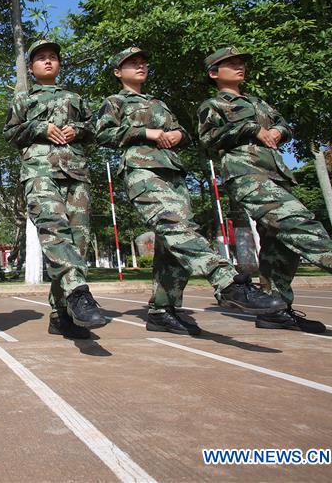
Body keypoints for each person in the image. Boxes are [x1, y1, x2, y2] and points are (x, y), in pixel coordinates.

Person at [94, 46, 284, 335]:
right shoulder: (114, 101)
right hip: (142, 171)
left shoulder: (159, 103)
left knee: (173, 241)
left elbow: (183, 132)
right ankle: (226, 281)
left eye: (143, 62)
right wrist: (147, 133)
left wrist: (175, 134)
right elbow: (103, 133)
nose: (141, 67)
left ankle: (162, 309)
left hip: (172, 172)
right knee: (174, 228)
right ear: (118, 72)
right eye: (133, 64)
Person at [197, 47, 332, 332]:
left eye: (241, 63)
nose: (239, 67)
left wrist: (277, 132)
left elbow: (283, 125)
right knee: (296, 221)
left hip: (276, 174)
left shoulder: (258, 102)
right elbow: (209, 138)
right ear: (214, 73)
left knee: (279, 245)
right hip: (246, 175)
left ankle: (276, 308)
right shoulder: (214, 105)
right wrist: (249, 129)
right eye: (230, 63)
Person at [4, 39, 102, 337]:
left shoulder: (75, 97)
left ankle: (62, 313)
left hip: (76, 172)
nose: (48, 62)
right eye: (41, 58)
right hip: (40, 171)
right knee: (54, 231)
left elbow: (94, 128)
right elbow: (10, 132)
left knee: (79, 241)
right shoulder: (23, 99)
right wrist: (39, 127)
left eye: (53, 58)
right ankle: (79, 293)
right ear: (31, 68)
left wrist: (78, 130)